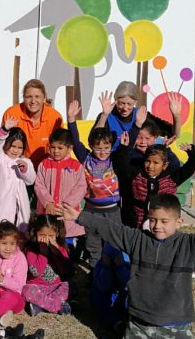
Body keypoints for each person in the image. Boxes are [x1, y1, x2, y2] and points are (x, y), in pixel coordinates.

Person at [60, 194, 195, 337]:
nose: (157, 226)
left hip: (176, 323)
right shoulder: (138, 240)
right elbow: (111, 229)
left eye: (164, 221)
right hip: (139, 322)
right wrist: (80, 216)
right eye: (153, 220)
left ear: (179, 222)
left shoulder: (190, 246)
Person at [67, 100, 122, 267]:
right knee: (93, 244)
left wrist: (106, 115)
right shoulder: (87, 158)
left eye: (106, 147)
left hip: (113, 211)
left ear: (111, 146)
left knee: (114, 244)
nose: (103, 152)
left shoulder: (116, 159)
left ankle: (114, 274)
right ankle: (96, 272)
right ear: (91, 146)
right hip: (91, 211)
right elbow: (75, 141)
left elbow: (128, 145)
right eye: (98, 148)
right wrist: (71, 120)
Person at [113, 132, 195, 228]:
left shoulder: (171, 179)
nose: (150, 166)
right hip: (136, 225)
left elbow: (190, 167)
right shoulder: (136, 176)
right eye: (148, 161)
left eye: (156, 163)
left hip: (162, 226)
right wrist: (123, 148)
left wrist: (193, 153)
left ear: (165, 165)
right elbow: (121, 165)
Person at [0, 117, 35, 242]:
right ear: (5, 144)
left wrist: (25, 170)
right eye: (12, 146)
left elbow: (30, 180)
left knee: (18, 243)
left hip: (18, 213)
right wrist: (4, 130)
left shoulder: (26, 162)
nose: (15, 150)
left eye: (19, 147)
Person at [34, 128, 87, 248]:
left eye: (60, 148)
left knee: (67, 246)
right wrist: (48, 203)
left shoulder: (76, 166)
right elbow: (39, 185)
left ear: (69, 148)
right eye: (52, 147)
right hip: (48, 213)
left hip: (67, 213)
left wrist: (67, 205)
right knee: (46, 241)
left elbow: (81, 188)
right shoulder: (44, 164)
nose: (55, 151)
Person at [93, 82, 181, 151]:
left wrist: (176, 116)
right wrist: (104, 115)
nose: (125, 108)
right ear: (116, 100)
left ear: (135, 102)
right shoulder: (107, 115)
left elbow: (174, 135)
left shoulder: (141, 115)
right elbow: (94, 139)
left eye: (129, 104)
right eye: (121, 103)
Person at [1, 79, 64, 168]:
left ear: (44, 98)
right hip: (18, 168)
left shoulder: (54, 117)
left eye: (37, 96)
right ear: (23, 98)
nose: (33, 101)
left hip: (46, 169)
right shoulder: (12, 114)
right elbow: (3, 143)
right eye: (29, 97)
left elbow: (61, 147)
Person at [21, 214, 74, 316]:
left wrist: (57, 252)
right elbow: (35, 272)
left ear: (57, 233)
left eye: (50, 236)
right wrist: (43, 252)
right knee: (26, 290)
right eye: (42, 236)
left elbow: (66, 269)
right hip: (37, 287)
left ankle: (40, 306)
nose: (47, 239)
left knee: (71, 286)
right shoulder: (31, 250)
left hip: (56, 287)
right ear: (35, 233)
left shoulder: (61, 248)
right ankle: (59, 306)